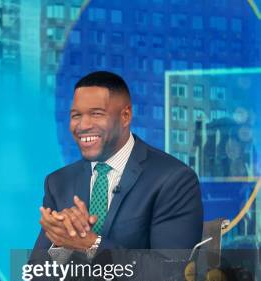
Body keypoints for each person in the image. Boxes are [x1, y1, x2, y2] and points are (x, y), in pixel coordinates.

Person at [30, 71, 203, 269]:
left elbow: (172, 273)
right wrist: (64, 243)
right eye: (76, 115)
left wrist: (91, 245)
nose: (83, 125)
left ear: (125, 116)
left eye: (96, 114)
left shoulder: (172, 179)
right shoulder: (59, 183)